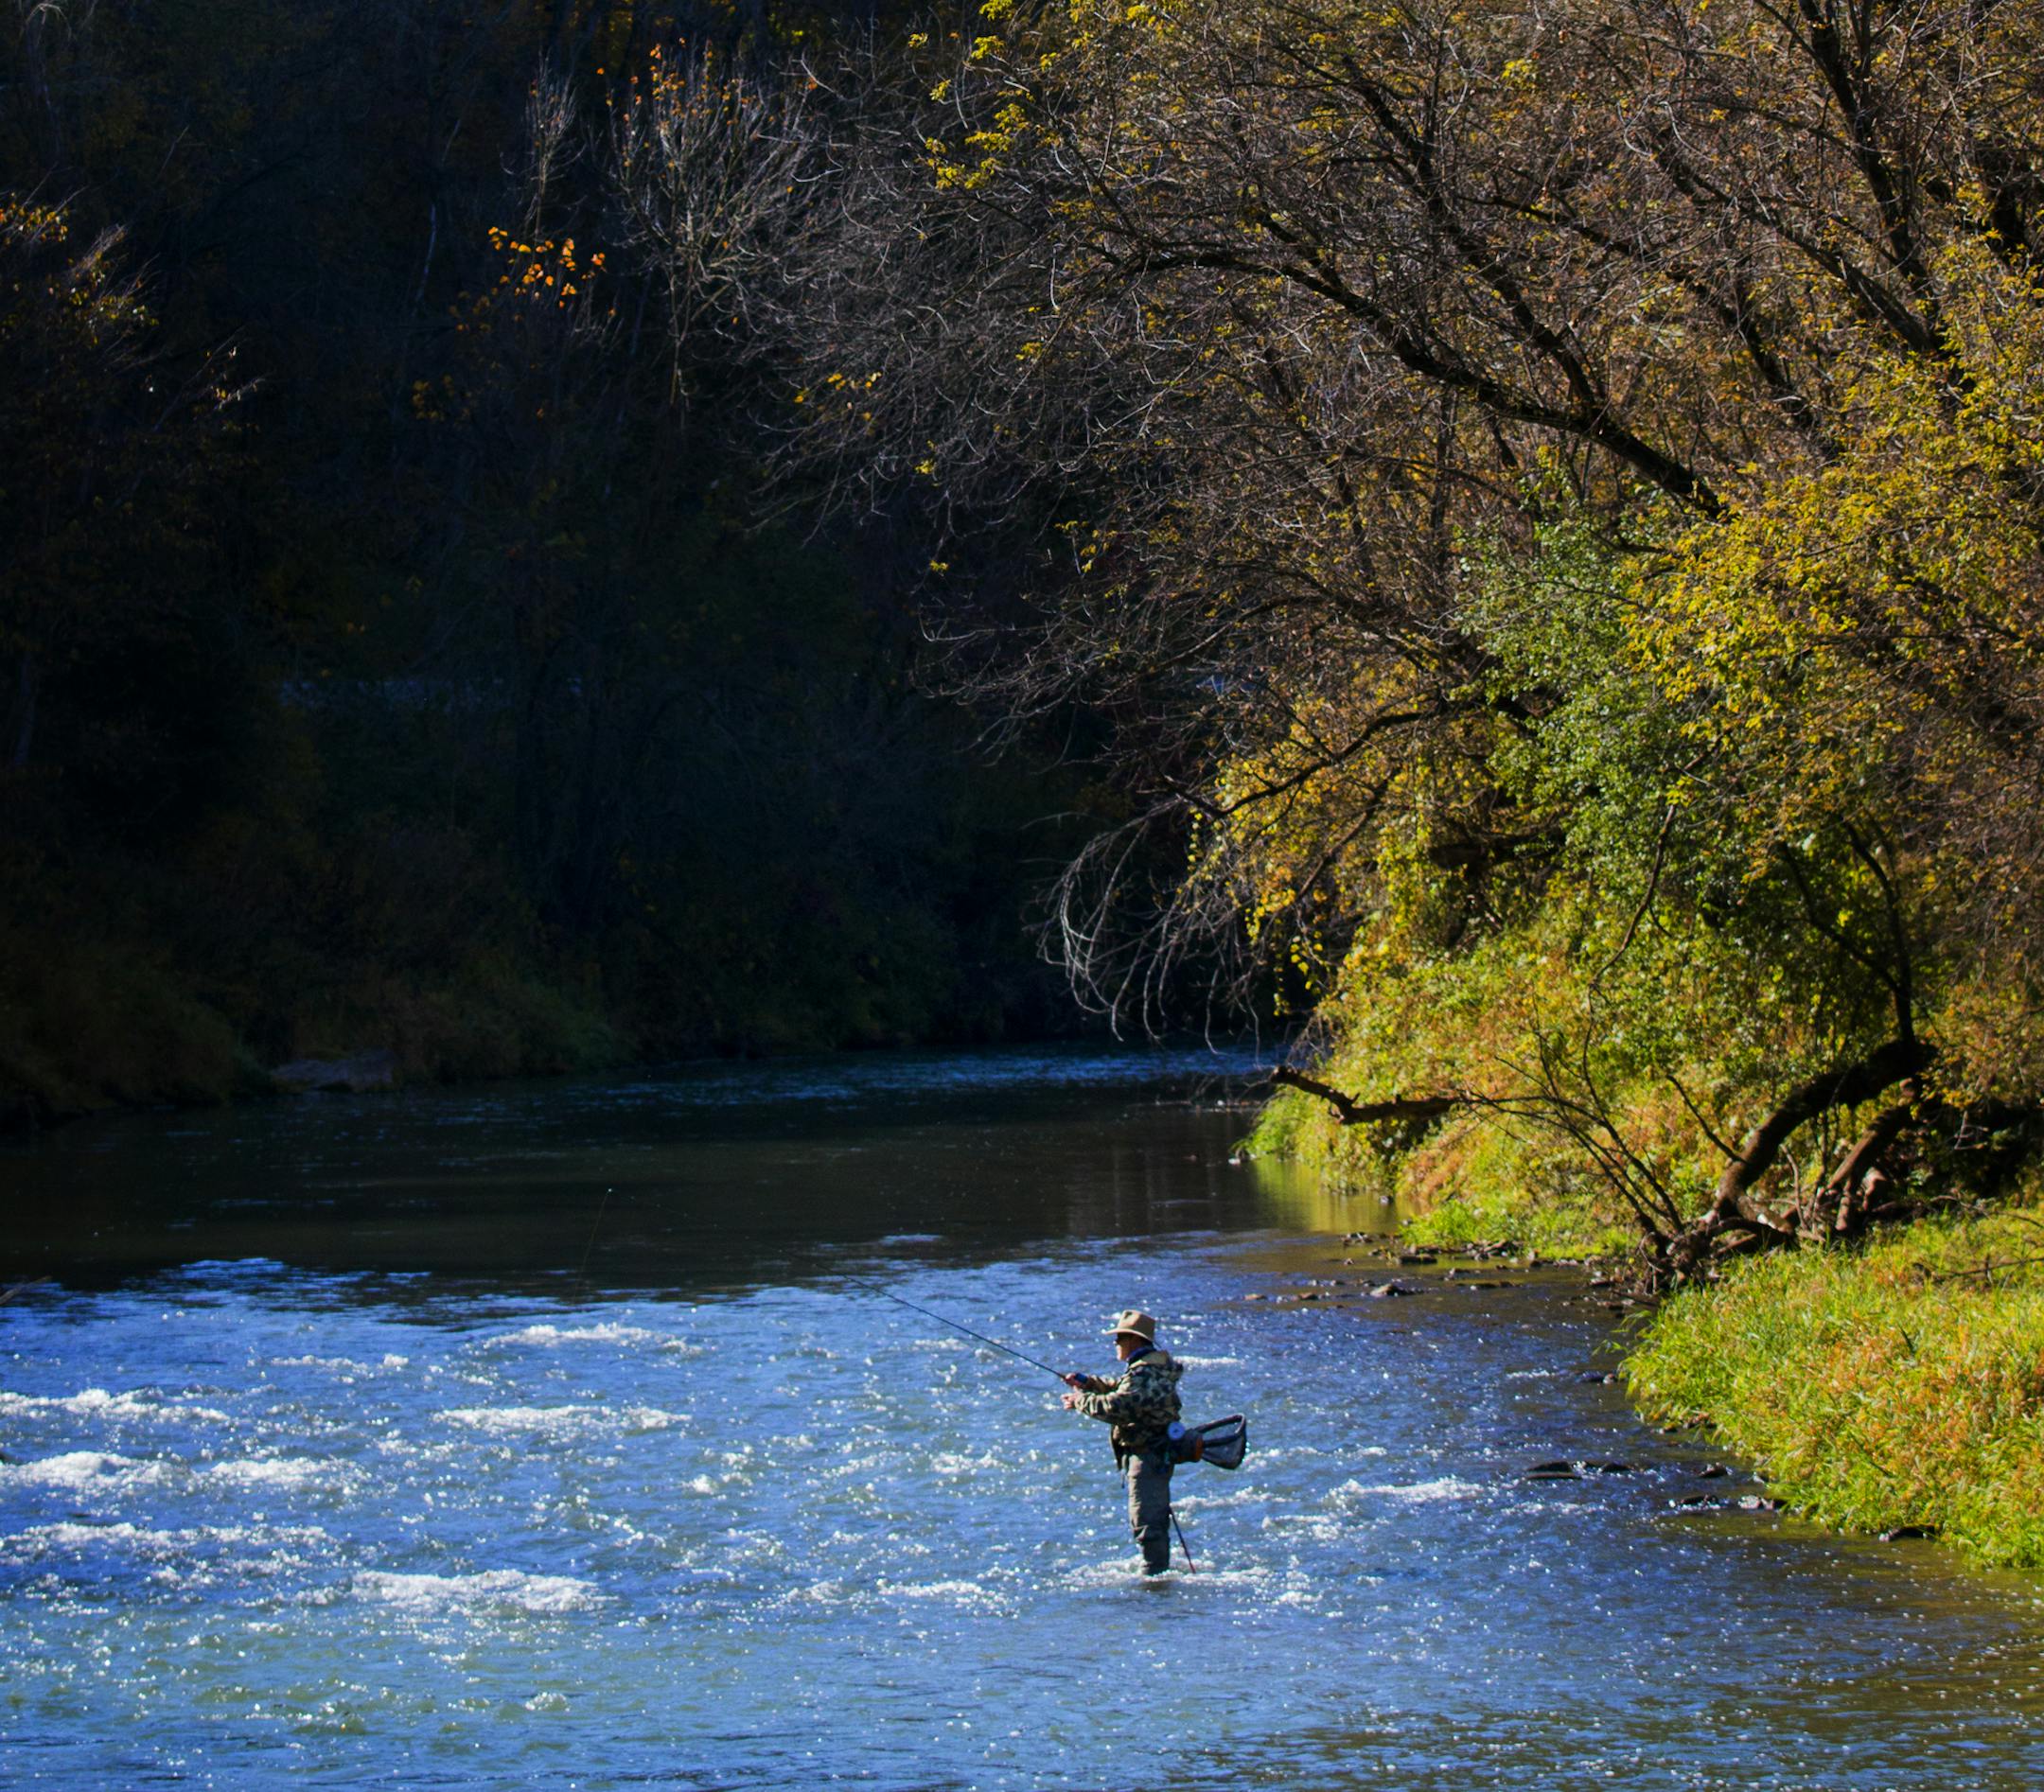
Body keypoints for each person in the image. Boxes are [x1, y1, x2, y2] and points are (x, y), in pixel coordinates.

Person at [1062, 1309, 1185, 1575]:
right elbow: (1119, 1388)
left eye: (1119, 1338)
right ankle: (1158, 1575)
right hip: (1152, 1452)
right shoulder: (1147, 1369)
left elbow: (1120, 1406)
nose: (1115, 1343)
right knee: (1148, 1517)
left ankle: (1155, 1580)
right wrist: (1087, 1383)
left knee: (1146, 1520)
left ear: (1134, 1340)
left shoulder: (1146, 1373)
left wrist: (1079, 1400)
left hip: (1149, 1453)